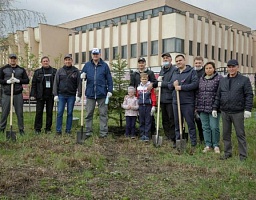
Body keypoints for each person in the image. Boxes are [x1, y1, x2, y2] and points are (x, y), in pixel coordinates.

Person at [212, 59, 253, 161]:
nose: (231, 69)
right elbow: (218, 95)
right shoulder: (223, 80)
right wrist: (214, 108)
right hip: (225, 111)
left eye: (233, 67)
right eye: (229, 67)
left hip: (238, 112)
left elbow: (249, 95)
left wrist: (248, 109)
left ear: (237, 67)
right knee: (226, 133)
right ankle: (227, 153)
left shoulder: (244, 80)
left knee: (240, 134)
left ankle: (243, 155)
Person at [80, 48, 113, 138]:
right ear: (92, 55)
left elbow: (109, 79)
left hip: (102, 93)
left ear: (99, 55)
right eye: (94, 54)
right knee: (89, 113)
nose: (95, 55)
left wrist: (110, 90)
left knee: (103, 114)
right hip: (90, 93)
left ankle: (103, 133)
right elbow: (82, 78)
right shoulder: (87, 65)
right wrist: (82, 76)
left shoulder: (104, 66)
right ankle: (88, 132)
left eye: (97, 54)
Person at [168, 54, 199, 147]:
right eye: (176, 61)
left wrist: (181, 87)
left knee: (190, 122)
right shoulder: (175, 72)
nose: (178, 62)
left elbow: (195, 84)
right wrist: (173, 85)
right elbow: (169, 86)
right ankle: (178, 140)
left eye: (180, 60)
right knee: (177, 122)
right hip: (176, 101)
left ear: (184, 61)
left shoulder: (191, 72)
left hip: (187, 102)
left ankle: (193, 142)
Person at [195, 61, 222, 153]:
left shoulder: (219, 79)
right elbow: (198, 93)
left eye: (210, 68)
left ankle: (216, 145)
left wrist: (216, 106)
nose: (208, 70)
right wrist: (196, 106)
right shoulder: (201, 79)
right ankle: (208, 145)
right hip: (202, 107)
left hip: (214, 108)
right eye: (206, 68)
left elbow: (220, 93)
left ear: (214, 69)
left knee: (214, 127)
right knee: (205, 127)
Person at [0, 54, 29, 135]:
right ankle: (2, 128)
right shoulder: (3, 69)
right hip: (6, 94)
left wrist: (18, 80)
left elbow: (27, 80)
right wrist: (7, 81)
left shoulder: (21, 70)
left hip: (18, 94)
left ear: (16, 60)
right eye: (11, 58)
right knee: (4, 112)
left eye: (14, 58)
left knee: (19, 113)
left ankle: (21, 129)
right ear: (8, 59)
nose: (13, 60)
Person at [53, 54, 81, 135]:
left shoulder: (76, 71)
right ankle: (58, 130)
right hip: (61, 95)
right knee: (60, 112)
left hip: (71, 95)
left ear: (72, 61)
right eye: (66, 60)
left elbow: (79, 83)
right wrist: (55, 94)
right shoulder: (60, 71)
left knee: (69, 113)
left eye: (69, 60)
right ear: (64, 61)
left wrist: (79, 95)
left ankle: (68, 130)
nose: (67, 61)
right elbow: (56, 83)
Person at [130, 57, 157, 136]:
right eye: (139, 63)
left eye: (142, 63)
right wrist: (130, 95)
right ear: (138, 64)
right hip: (140, 99)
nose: (141, 64)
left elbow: (155, 83)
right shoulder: (134, 74)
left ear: (145, 64)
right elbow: (131, 85)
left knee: (150, 118)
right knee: (141, 118)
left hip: (148, 99)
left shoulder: (150, 73)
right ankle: (142, 133)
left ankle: (152, 132)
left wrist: (152, 85)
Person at [30, 56, 57, 134]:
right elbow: (34, 84)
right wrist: (32, 94)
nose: (45, 62)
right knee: (39, 112)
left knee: (49, 112)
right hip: (40, 95)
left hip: (50, 95)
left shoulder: (54, 71)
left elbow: (57, 83)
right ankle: (37, 129)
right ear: (41, 63)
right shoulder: (37, 72)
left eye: (47, 61)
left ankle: (48, 128)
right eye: (44, 61)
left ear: (49, 62)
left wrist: (56, 94)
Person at [156, 53, 176, 148]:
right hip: (162, 98)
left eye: (167, 58)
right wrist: (157, 82)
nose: (165, 59)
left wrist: (162, 83)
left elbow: (171, 84)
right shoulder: (162, 70)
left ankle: (173, 136)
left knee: (171, 118)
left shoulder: (174, 70)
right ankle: (167, 135)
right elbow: (158, 83)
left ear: (170, 59)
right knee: (164, 119)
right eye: (164, 58)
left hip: (170, 98)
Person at [136, 73, 156, 141]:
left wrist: (153, 105)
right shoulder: (138, 87)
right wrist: (137, 106)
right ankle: (142, 135)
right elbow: (137, 97)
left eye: (145, 79)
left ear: (147, 79)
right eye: (143, 79)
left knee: (148, 121)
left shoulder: (150, 87)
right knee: (141, 121)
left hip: (148, 106)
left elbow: (153, 96)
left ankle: (147, 135)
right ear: (140, 79)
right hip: (141, 106)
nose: (144, 80)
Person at [193, 56, 204, 143]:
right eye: (196, 63)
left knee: (200, 120)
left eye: (199, 63)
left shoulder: (204, 72)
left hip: (202, 98)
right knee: (194, 119)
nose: (198, 64)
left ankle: (202, 137)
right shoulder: (192, 72)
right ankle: (194, 137)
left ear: (202, 63)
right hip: (192, 98)